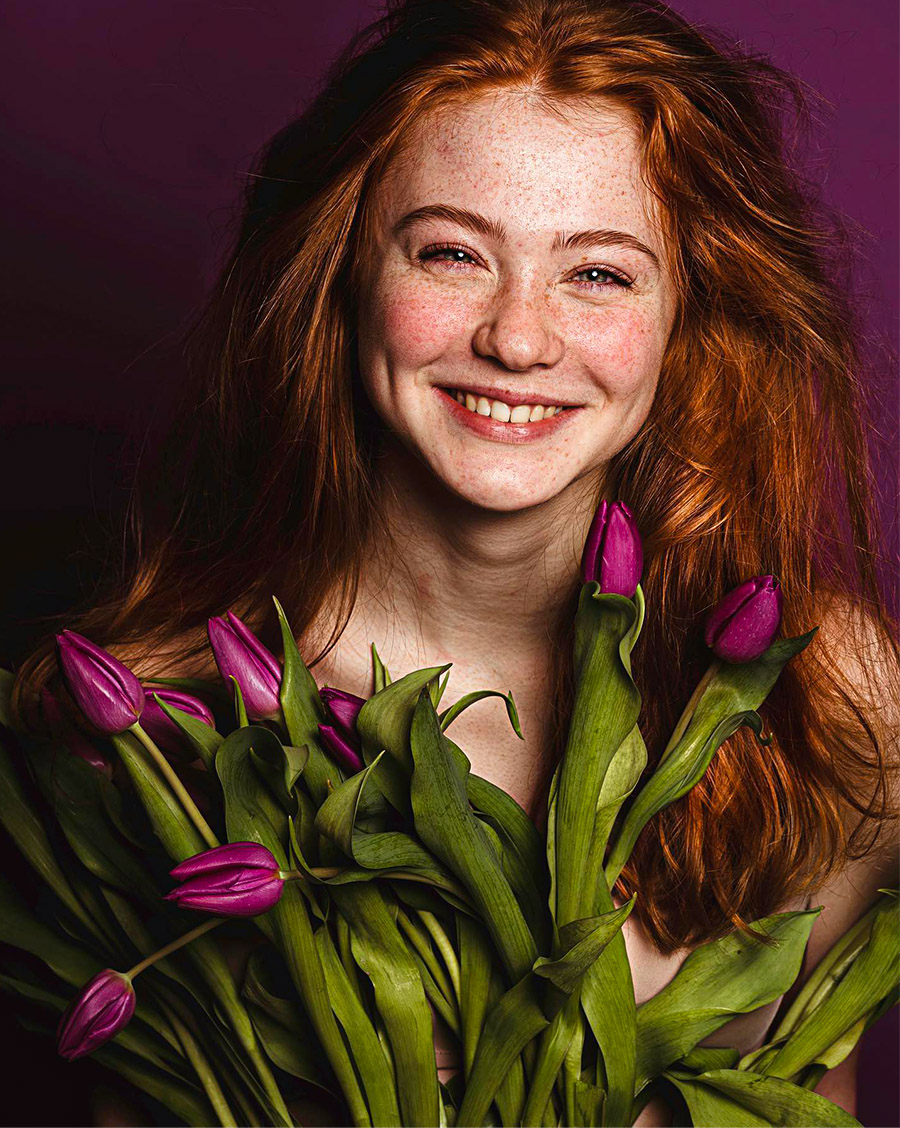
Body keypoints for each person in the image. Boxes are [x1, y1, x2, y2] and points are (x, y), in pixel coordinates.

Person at [9, 0, 899, 1124]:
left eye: (599, 275)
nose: (518, 339)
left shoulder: (833, 702)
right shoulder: (158, 741)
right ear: (339, 279)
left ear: (691, 316)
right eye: (451, 254)